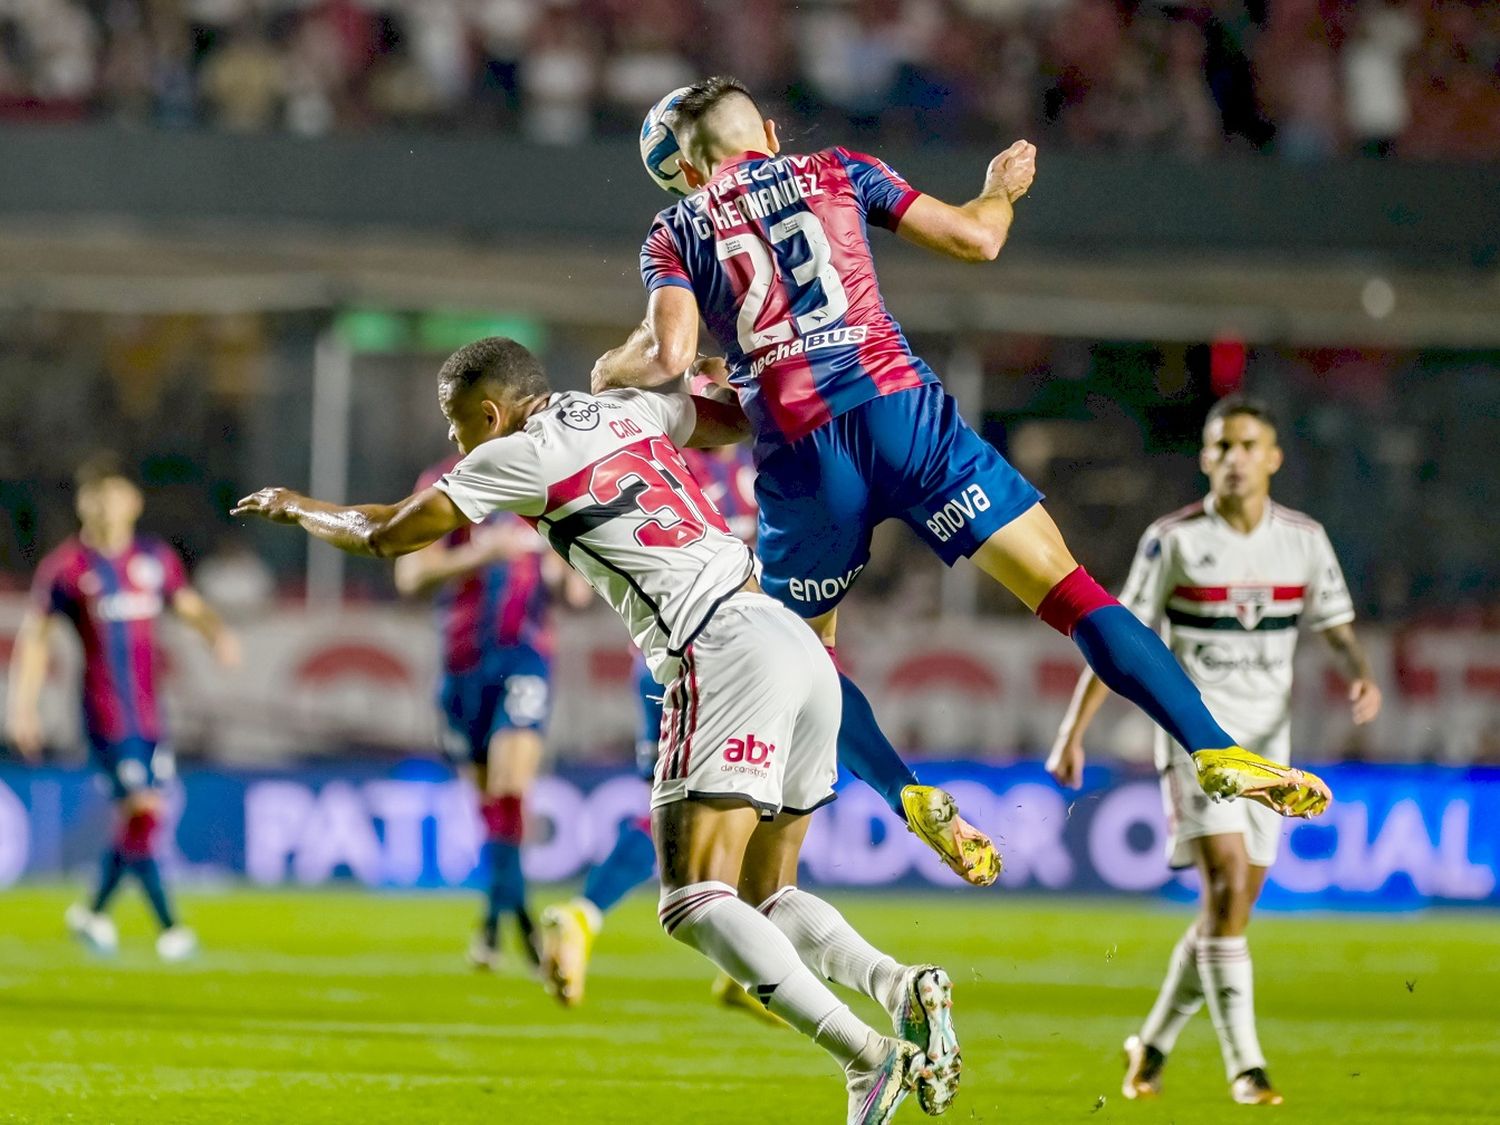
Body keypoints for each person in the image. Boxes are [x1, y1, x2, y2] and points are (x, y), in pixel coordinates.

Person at [233, 337, 962, 1123]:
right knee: (764, 889)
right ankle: (899, 986)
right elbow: (735, 420)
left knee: (690, 899)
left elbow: (387, 534)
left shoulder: (515, 452)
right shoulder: (628, 408)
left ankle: (868, 1055)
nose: (456, 446)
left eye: (456, 427)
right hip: (791, 635)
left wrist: (296, 506)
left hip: (715, 650)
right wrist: (726, 369)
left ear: (489, 411)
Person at [592, 76, 1332, 848]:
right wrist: (999, 190)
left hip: (804, 455)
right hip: (901, 414)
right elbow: (979, 239)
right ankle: (1212, 745)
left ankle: (907, 794)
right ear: (770, 134)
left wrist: (614, 370)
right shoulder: (838, 168)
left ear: (687, 166)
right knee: (1070, 591)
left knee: (808, 660)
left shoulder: (674, 229)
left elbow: (668, 354)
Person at [1047, 395, 1382, 1107]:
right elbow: (1117, 643)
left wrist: (1357, 672)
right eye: (1221, 446)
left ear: (1273, 457)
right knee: (1226, 887)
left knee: (1227, 917)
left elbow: (1337, 623)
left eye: (1247, 445)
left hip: (1271, 751)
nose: (1233, 458)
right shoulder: (1171, 541)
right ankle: (1247, 1065)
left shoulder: (1303, 540)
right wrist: (1072, 730)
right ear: (1205, 458)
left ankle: (1153, 1043)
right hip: (1199, 743)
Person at [540, 436, 778, 1021]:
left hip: (669, 660)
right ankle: (742, 967)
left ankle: (590, 918)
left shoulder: (668, 460)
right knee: (754, 803)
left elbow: (589, 554)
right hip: (727, 660)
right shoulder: (755, 464)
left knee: (703, 808)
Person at [6, 455, 239, 961]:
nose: (104, 507)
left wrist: (217, 635)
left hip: (152, 716)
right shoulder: (67, 568)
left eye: (112, 496)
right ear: (81, 506)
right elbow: (36, 640)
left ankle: (93, 912)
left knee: (145, 822)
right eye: (94, 499)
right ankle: (170, 928)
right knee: (144, 810)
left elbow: (188, 604)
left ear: (133, 503)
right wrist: (22, 706)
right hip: (105, 716)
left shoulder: (153, 560)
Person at [395, 454, 589, 970]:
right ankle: (510, 917)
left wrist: (567, 567)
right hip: (461, 662)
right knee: (491, 804)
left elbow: (577, 590)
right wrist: (481, 556)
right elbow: (411, 574)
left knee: (509, 788)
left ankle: (503, 928)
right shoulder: (442, 482)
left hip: (525, 656)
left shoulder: (548, 478)